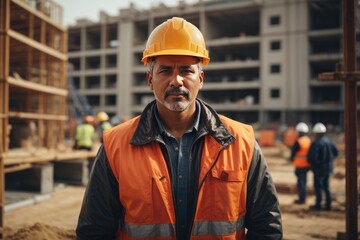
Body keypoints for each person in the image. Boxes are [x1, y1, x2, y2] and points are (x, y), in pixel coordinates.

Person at [76, 17, 282, 239]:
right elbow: (94, 231)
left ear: (200, 79)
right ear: (150, 80)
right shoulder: (115, 145)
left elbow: (266, 227)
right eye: (165, 71)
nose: (176, 80)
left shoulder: (241, 142)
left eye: (186, 70)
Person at [307, 122, 339, 211]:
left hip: (319, 169)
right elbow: (336, 153)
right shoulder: (329, 141)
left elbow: (312, 157)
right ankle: (328, 205)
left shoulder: (316, 143)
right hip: (329, 168)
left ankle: (318, 205)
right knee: (327, 187)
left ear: (316, 133)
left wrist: (315, 164)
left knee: (318, 187)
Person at [289, 122, 311, 204]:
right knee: (304, 182)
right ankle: (303, 197)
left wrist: (291, 159)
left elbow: (293, 152)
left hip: (300, 165)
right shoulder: (308, 140)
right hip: (307, 165)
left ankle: (302, 199)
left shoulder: (298, 141)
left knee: (301, 183)